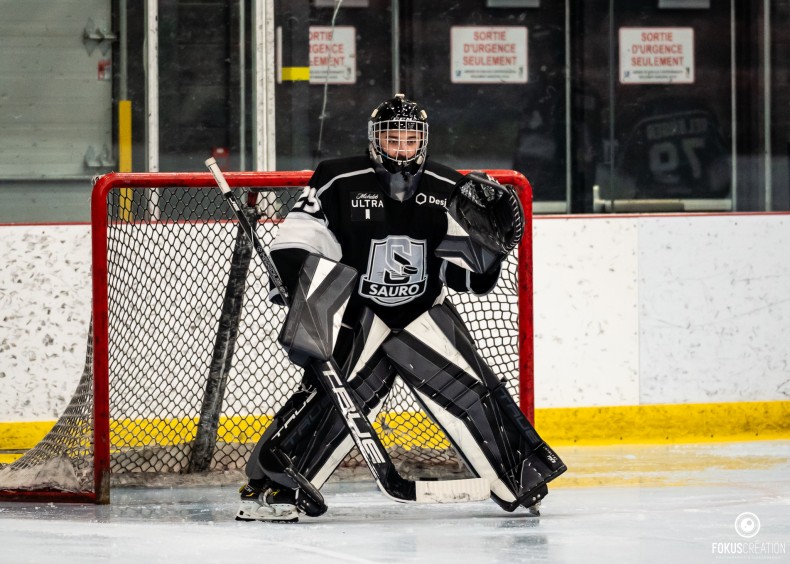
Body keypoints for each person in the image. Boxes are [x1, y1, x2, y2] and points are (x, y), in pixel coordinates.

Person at [236, 94, 565, 523]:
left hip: (423, 310)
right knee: (336, 396)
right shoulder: (338, 179)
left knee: (473, 389)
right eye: (392, 139)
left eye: (410, 140)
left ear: (423, 142)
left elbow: (466, 276)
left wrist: (491, 254)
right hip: (359, 310)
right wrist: (296, 275)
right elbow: (301, 235)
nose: (402, 149)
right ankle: (275, 481)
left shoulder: (449, 187)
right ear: (376, 141)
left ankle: (518, 478)